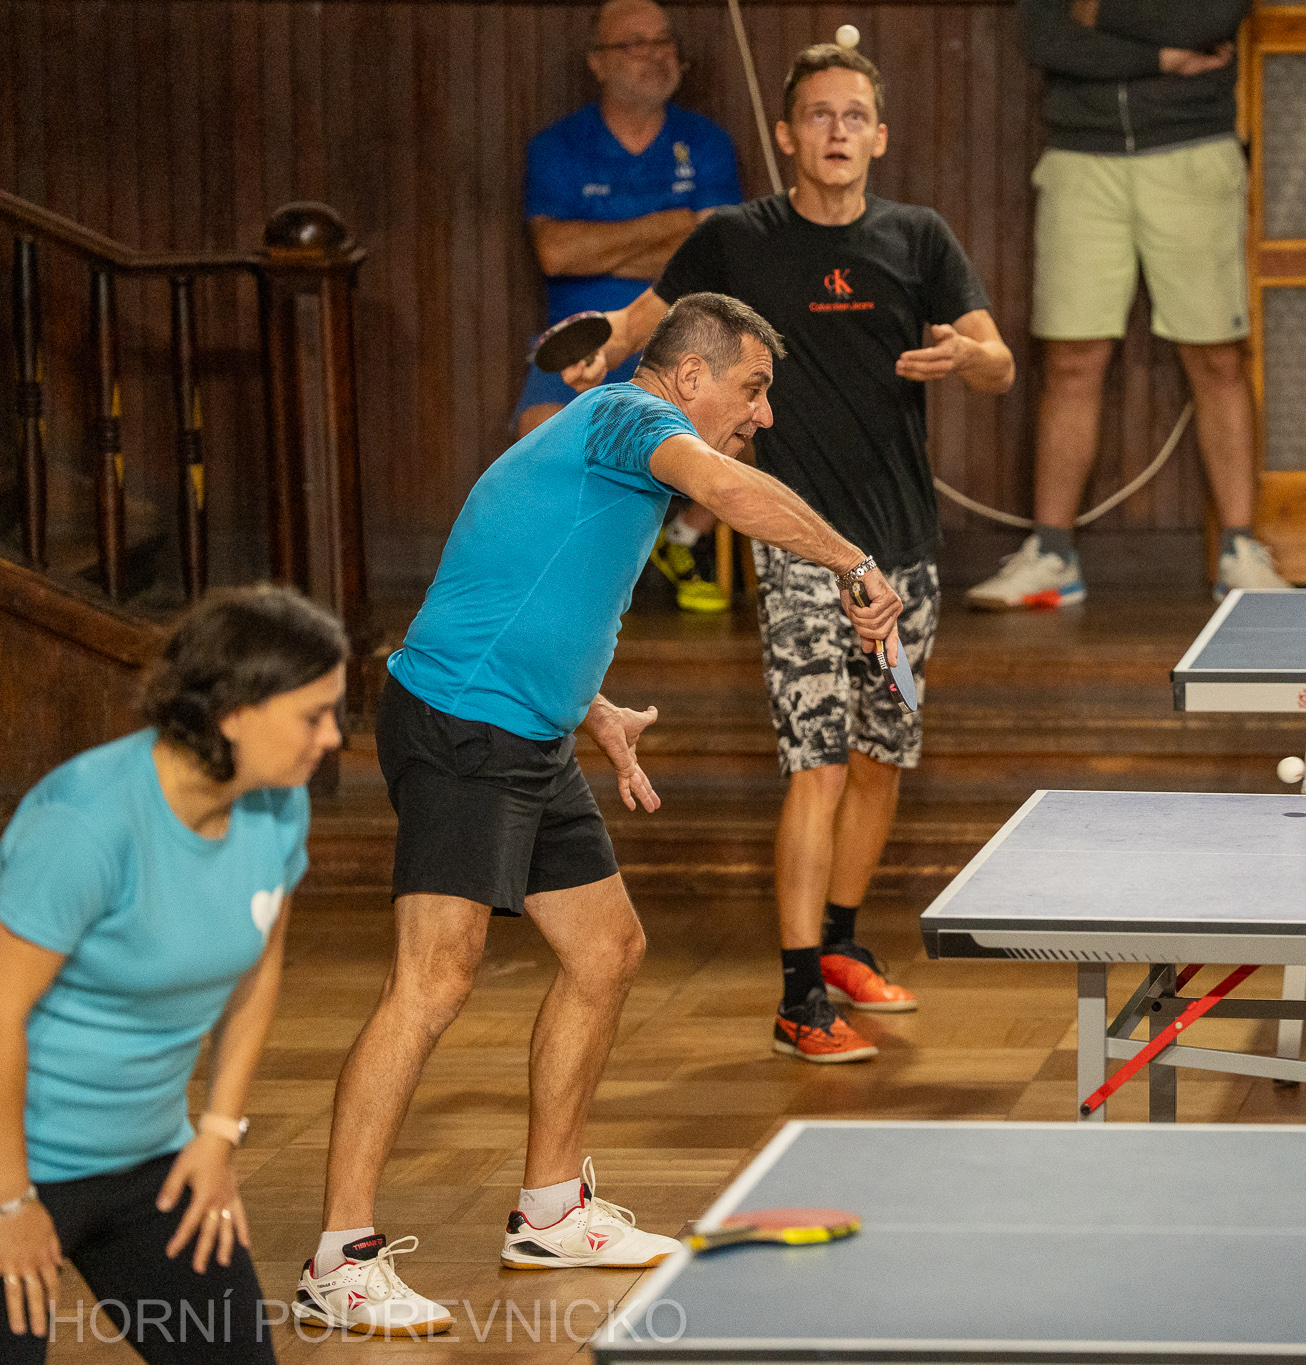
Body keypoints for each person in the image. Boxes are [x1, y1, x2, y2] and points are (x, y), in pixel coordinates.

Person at [294, 293, 905, 1334]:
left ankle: (551, 1211)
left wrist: (591, 706)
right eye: (753, 388)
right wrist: (852, 561)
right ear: (691, 376)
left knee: (607, 950)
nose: (762, 413)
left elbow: (524, 577)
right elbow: (728, 488)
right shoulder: (631, 416)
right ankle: (337, 1259)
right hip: (463, 724)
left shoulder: (611, 446)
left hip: (528, 727)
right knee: (432, 981)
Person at [561, 42, 1014, 1064]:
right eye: (818, 114)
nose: (837, 130)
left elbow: (997, 362)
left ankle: (843, 944)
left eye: (854, 115)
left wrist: (969, 355)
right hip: (800, 551)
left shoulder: (918, 237)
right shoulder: (735, 238)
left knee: (880, 758)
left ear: (879, 136)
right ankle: (798, 994)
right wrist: (597, 349)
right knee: (818, 765)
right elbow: (642, 324)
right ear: (786, 133)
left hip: (904, 553)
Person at [0, 585, 346, 1364]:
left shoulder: (277, 804)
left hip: (150, 1164)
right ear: (233, 711)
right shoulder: (85, 823)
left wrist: (218, 1133)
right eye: (313, 715)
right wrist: (11, 1202)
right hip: (14, 1161)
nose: (332, 736)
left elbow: (259, 968)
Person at [966, 0, 1291, 609]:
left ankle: (1241, 550)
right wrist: (1163, 57)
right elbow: (1043, 37)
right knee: (1071, 361)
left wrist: (1095, 11)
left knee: (1218, 358)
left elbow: (1208, 19)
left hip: (1193, 147)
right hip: (1080, 156)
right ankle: (1052, 555)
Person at [520, 0, 744, 610]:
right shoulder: (558, 146)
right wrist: (673, 225)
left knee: (747, 424)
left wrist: (602, 246)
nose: (656, 55)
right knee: (540, 437)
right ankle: (588, 575)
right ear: (597, 62)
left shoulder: (706, 142)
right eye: (635, 43)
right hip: (582, 339)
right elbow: (555, 253)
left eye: (664, 42)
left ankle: (681, 540)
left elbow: (717, 254)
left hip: (687, 340)